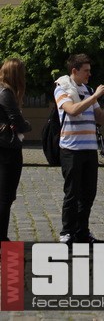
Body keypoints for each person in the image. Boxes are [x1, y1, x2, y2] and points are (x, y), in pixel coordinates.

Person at [54, 53, 104, 245]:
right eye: (86, 71)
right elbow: (72, 110)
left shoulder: (87, 90)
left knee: (88, 193)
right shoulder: (61, 88)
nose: (89, 74)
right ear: (74, 71)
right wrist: (95, 95)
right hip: (71, 149)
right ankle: (67, 232)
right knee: (72, 192)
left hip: (89, 148)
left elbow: (100, 118)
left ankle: (82, 232)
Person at [0, 58, 31, 241]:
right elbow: (18, 123)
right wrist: (26, 124)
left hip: (4, 146)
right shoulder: (6, 92)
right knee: (5, 196)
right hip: (7, 148)